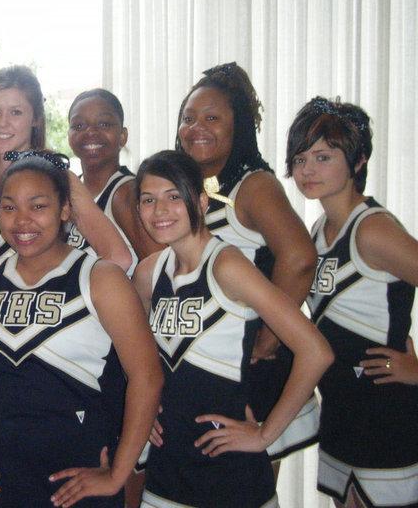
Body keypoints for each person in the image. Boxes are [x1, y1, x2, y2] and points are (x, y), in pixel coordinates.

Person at [0, 152, 161, 507]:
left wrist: (118, 473)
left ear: (64, 210)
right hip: (0, 485)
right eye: (9, 207)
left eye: (38, 206)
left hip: (78, 483)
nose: (22, 221)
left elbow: (147, 376)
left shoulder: (100, 278)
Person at [132, 150, 333, 508]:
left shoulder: (226, 265)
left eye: (174, 196)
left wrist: (264, 436)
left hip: (230, 474)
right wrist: (139, 414)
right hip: (166, 471)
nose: (160, 210)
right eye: (148, 199)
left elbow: (316, 351)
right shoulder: (149, 273)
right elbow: (134, 359)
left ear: (201, 201)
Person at [175, 62, 320, 464]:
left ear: (238, 126)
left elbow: (301, 257)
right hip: (211, 366)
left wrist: (271, 337)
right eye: (189, 118)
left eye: (212, 118)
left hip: (253, 370)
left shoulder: (253, 185)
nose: (197, 127)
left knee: (246, 487)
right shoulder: (186, 192)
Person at [286, 98, 418, 508]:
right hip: (342, 413)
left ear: (358, 162)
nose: (307, 170)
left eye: (323, 157)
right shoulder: (319, 228)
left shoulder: (373, 230)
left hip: (386, 416)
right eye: (301, 157)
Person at [0, 65, 132, 271]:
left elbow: (119, 257)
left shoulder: (59, 178)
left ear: (35, 119)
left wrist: (71, 292)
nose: (2, 122)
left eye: (16, 112)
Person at [67, 88, 162, 273]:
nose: (90, 132)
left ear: (122, 136)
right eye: (78, 126)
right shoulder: (66, 189)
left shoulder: (126, 193)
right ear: (69, 137)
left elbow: (160, 270)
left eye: (104, 124)